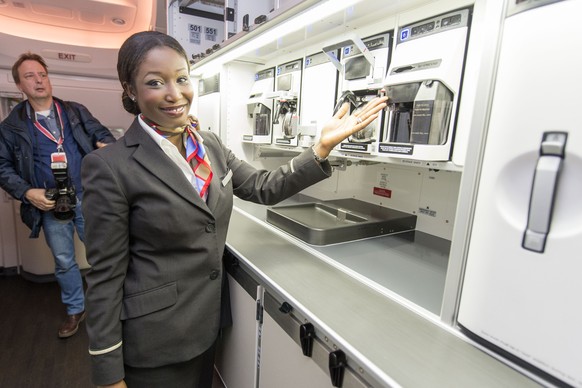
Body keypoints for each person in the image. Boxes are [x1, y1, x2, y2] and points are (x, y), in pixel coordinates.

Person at [81, 30, 387, 388]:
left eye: (182, 78)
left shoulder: (207, 144)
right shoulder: (110, 166)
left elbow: (262, 187)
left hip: (206, 327)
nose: (174, 94)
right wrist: (108, 373)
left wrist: (320, 147)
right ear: (130, 89)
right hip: (154, 343)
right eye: (155, 82)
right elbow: (105, 277)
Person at [0, 52, 116, 338]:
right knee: (64, 261)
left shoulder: (75, 111)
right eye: (30, 76)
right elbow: (2, 167)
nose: (38, 81)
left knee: (104, 253)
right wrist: (27, 192)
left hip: (87, 196)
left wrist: (109, 149)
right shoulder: (11, 127)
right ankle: (76, 309)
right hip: (51, 204)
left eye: (42, 74)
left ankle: (111, 307)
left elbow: (101, 135)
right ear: (19, 85)